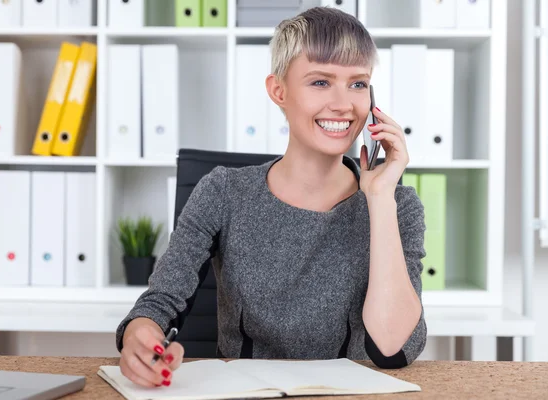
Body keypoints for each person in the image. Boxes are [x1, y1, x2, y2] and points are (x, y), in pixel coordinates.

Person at [115, 6, 427, 388]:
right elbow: (159, 303)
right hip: (245, 394)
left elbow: (394, 347)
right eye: (320, 82)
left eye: (358, 83)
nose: (344, 104)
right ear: (278, 90)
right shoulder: (223, 193)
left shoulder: (398, 206)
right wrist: (140, 338)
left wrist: (379, 200)